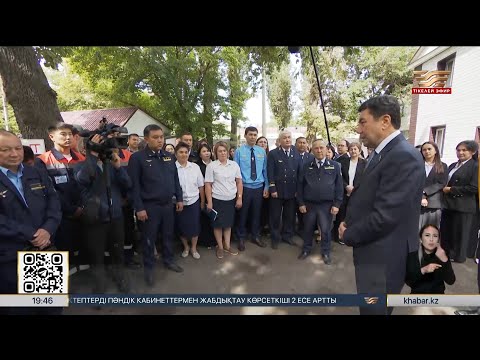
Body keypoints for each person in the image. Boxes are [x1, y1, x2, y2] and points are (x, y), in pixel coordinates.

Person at [338, 95, 425, 315]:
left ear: (385, 121)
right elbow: (368, 197)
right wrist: (348, 220)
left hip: (384, 258)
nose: (358, 129)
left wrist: (348, 233)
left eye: (363, 121)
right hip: (374, 252)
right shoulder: (384, 153)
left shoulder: (404, 156)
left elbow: (385, 216)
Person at [0, 130, 62, 315]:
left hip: (44, 250)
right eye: (6, 150)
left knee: (50, 307)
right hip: (9, 257)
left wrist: (47, 230)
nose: (14, 153)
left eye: (18, 148)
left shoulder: (35, 172)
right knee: (18, 309)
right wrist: (30, 234)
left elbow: (53, 201)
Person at [75, 134, 132, 294]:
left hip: (116, 217)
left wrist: (118, 167)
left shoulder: (112, 165)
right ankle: (99, 285)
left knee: (117, 252)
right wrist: (92, 156)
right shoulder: (82, 166)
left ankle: (120, 276)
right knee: (97, 255)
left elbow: (128, 184)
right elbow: (82, 181)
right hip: (96, 219)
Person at [128, 124, 184, 287]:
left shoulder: (168, 156)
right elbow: (134, 186)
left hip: (168, 206)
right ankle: (149, 270)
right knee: (148, 240)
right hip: (149, 207)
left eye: (161, 137)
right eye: (155, 137)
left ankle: (168, 260)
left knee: (168, 236)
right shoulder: (137, 158)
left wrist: (179, 198)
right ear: (146, 139)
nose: (160, 140)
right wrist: (139, 208)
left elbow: (175, 179)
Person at [35, 122, 86, 275]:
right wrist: (71, 209)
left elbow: (87, 185)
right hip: (61, 216)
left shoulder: (81, 158)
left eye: (70, 134)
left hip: (83, 213)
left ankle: (84, 273)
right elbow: (50, 191)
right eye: (63, 134)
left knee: (82, 248)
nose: (68, 137)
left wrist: (83, 207)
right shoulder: (43, 160)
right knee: (65, 250)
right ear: (51, 137)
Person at [297, 139, 343, 264]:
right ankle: (306, 249)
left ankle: (326, 252)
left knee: (325, 230)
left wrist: (337, 204)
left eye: (321, 148)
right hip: (309, 204)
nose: (319, 150)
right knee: (307, 228)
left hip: (326, 205)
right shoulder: (306, 166)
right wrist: (301, 203)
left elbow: (339, 187)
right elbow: (300, 186)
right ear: (312, 150)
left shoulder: (334, 165)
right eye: (316, 148)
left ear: (326, 149)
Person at [441, 140, 478, 263]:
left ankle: (458, 256)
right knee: (447, 231)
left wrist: (451, 189)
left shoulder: (475, 166)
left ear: (472, 152)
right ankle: (446, 253)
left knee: (460, 234)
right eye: (458, 150)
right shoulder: (453, 165)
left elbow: (474, 188)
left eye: (464, 150)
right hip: (448, 205)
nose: (460, 152)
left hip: (463, 206)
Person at [205, 141, 243, 259]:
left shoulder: (234, 165)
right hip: (217, 200)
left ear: (228, 152)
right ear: (216, 153)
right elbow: (208, 185)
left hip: (231, 200)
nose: (223, 153)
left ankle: (227, 245)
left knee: (228, 224)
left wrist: (239, 198)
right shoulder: (212, 166)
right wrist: (210, 202)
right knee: (217, 225)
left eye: (224, 151)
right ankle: (220, 247)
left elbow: (239, 182)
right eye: (220, 151)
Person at [234, 127, 269, 251]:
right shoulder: (239, 151)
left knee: (256, 214)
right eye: (250, 134)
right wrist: (238, 192)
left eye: (255, 135)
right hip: (245, 188)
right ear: (245, 135)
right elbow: (236, 173)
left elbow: (265, 170)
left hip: (259, 188)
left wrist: (267, 186)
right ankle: (241, 238)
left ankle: (255, 236)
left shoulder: (261, 151)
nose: (253, 137)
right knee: (243, 214)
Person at [267, 130, 301, 249]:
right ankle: (275, 238)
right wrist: (272, 188)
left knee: (289, 216)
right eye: (285, 138)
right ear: (280, 141)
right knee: (275, 216)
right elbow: (270, 172)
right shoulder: (273, 154)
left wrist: (298, 189)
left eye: (289, 137)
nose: (287, 140)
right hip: (278, 190)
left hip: (292, 190)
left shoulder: (296, 153)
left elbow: (299, 173)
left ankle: (287, 236)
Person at [174, 142, 205, 259]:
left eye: (186, 152)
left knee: (195, 226)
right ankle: (186, 247)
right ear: (176, 154)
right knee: (181, 227)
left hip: (194, 201)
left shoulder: (195, 167)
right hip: (178, 203)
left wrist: (202, 202)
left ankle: (193, 248)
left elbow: (201, 186)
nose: (184, 154)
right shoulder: (172, 168)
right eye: (181, 152)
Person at [405, 224, 455, 294]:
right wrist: (423, 270)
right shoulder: (413, 256)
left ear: (438, 240)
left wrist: (444, 259)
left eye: (435, 236)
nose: (431, 239)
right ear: (420, 239)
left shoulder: (442, 255)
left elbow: (451, 281)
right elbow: (409, 281)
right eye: (427, 235)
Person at [338, 142, 366, 245]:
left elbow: (365, 179)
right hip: (344, 192)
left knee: (354, 215)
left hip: (357, 193)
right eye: (351, 149)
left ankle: (353, 236)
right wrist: (346, 186)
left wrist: (354, 189)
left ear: (359, 150)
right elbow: (340, 177)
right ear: (348, 150)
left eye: (355, 149)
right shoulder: (343, 162)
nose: (353, 151)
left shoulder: (365, 163)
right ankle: (341, 236)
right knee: (343, 214)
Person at [419, 141, 448, 229]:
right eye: (424, 150)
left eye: (429, 149)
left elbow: (441, 183)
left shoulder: (442, 166)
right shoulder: (417, 165)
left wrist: (424, 192)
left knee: (431, 230)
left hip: (434, 203)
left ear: (435, 151)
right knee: (416, 230)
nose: (427, 151)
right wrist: (420, 196)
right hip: (416, 202)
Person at [196, 143, 216, 248]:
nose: (207, 153)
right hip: (202, 195)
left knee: (215, 218)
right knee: (204, 219)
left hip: (216, 194)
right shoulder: (197, 166)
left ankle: (215, 240)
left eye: (208, 150)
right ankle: (206, 241)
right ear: (199, 154)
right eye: (204, 151)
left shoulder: (216, 163)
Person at [295, 137, 314, 235]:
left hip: (306, 188)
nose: (302, 144)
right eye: (300, 143)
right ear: (296, 144)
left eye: (304, 143)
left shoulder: (311, 157)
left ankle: (303, 230)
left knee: (304, 211)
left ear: (307, 144)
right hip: (292, 188)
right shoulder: (292, 155)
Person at [256, 136, 270, 236]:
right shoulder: (255, 155)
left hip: (268, 184)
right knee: (258, 209)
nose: (263, 144)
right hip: (258, 184)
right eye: (260, 142)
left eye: (265, 142)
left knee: (266, 208)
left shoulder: (270, 155)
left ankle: (265, 226)